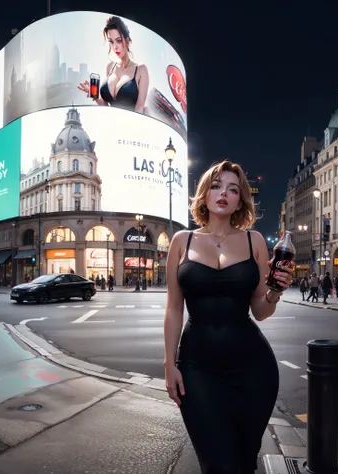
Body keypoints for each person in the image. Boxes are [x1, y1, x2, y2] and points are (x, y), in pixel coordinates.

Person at [163, 160, 293, 474]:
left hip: (253, 370)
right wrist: (169, 364)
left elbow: (260, 311)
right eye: (217, 186)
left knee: (244, 462)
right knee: (218, 463)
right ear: (204, 195)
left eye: (233, 189)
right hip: (198, 369)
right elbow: (173, 308)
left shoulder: (255, 242)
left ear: (240, 201)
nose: (224, 193)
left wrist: (275, 292)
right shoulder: (182, 241)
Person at [77, 16, 149, 113]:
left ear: (127, 41)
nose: (115, 47)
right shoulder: (110, 67)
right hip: (110, 123)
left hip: (131, 125)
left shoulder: (141, 70)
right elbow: (107, 106)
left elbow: (139, 107)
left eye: (118, 41)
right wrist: (96, 96)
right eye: (111, 41)